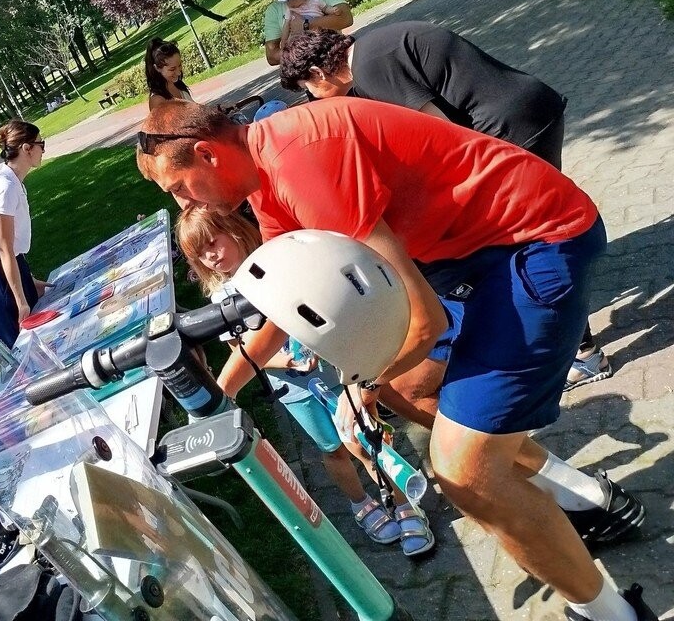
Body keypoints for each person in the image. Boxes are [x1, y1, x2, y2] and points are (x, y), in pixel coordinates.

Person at [135, 100, 652, 621]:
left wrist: (361, 383)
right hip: (469, 255)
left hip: (535, 240)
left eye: (178, 188)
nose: (183, 203)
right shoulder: (265, 172)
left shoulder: (301, 162)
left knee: (464, 473)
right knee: (407, 390)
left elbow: (426, 322)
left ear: (207, 154)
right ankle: (584, 499)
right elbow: (283, 306)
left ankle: (615, 615)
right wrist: (215, 399)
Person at [280, 23, 610, 393]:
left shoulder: (370, 68)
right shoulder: (378, 43)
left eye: (309, 90)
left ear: (318, 73)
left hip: (509, 130)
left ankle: (583, 353)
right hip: (532, 109)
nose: (315, 100)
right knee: (538, 234)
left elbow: (440, 133)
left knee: (525, 244)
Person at [177, 207, 435, 558]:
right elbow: (241, 350)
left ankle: (402, 502)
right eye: (200, 253)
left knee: (364, 440)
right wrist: (282, 361)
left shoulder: (279, 262)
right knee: (332, 448)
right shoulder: (221, 301)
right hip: (294, 391)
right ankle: (361, 504)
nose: (211, 255)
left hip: (335, 372)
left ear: (234, 229)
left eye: (213, 241)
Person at [0, 119, 49, 346]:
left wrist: (28, 280)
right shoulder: (4, 187)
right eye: (41, 144)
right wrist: (21, 301)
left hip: (10, 268)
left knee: (43, 341)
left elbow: (12, 249)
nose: (43, 150)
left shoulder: (13, 182)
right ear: (27, 148)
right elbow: (3, 248)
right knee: (27, 348)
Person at [276, 0, 344, 48]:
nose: (290, 3)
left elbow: (325, 8)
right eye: (287, 0)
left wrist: (333, 10)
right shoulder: (290, 10)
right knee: (292, 42)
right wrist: (284, 41)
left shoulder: (314, 0)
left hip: (319, 31)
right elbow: (286, 25)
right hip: (303, 39)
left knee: (332, 36)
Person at [145, 37, 193, 109]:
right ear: (157, 68)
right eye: (172, 69)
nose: (178, 73)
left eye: (179, 65)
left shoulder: (178, 85)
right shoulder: (157, 100)